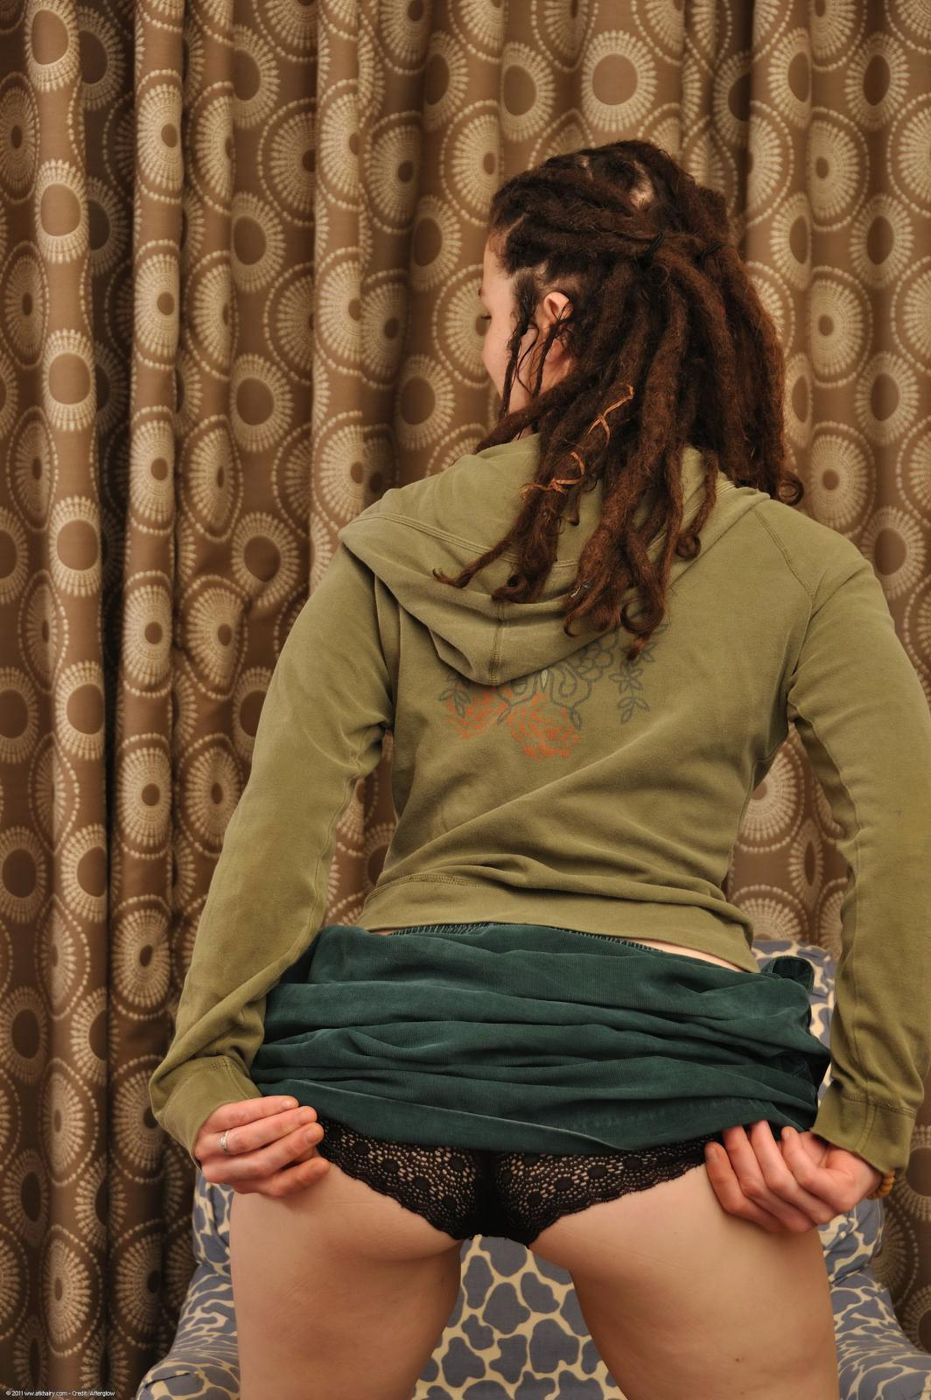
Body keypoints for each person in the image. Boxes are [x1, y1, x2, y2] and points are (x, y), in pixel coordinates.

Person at [148, 140, 931, 1400]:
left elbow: (278, 830)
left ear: (548, 316)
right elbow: (905, 842)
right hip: (666, 1107)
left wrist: (201, 1074)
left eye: (486, 314)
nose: (482, 343)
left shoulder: (393, 543)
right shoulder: (800, 567)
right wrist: (869, 1125)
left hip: (371, 1092)